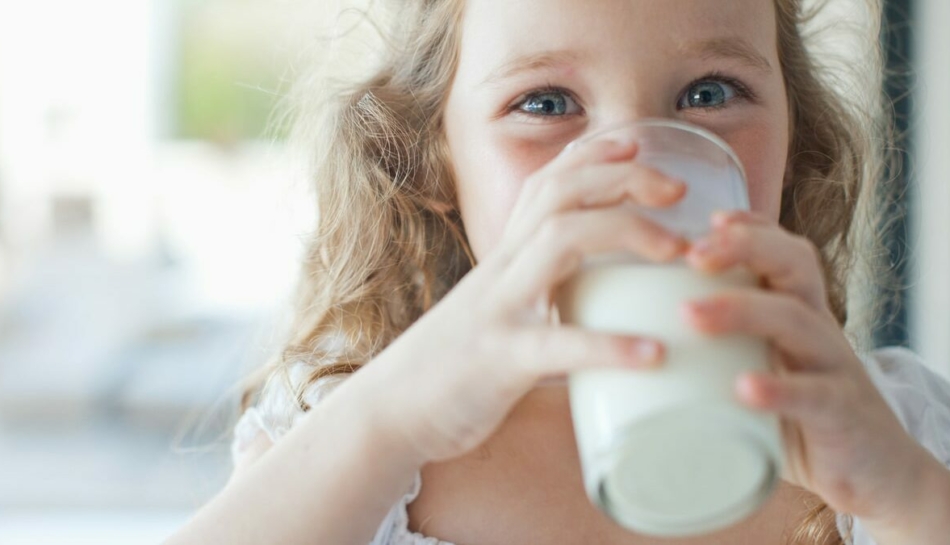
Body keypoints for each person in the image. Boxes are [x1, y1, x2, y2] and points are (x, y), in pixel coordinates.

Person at [166, 0, 950, 543]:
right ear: (436, 163)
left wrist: (909, 499)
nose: (638, 164)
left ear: (792, 141)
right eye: (545, 103)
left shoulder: (890, 433)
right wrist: (391, 418)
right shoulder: (354, 445)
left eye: (709, 94)